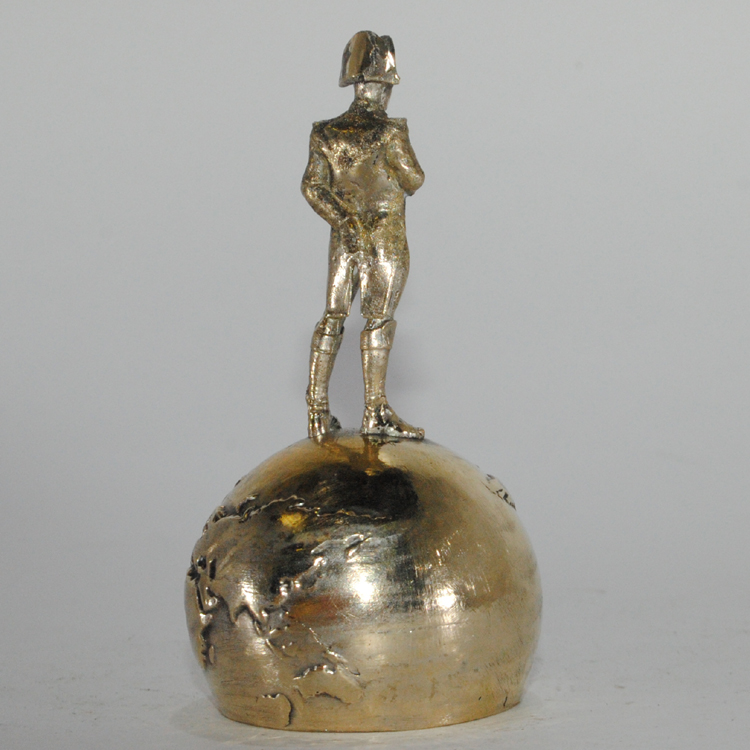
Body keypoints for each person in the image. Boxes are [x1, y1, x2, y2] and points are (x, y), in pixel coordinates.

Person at [302, 30, 425, 441]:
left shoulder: (325, 133)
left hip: (345, 238)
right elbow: (414, 179)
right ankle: (374, 410)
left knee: (333, 316)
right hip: (384, 237)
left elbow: (312, 188)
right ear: (380, 86)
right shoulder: (390, 132)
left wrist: (344, 220)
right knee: (378, 320)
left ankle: (317, 410)